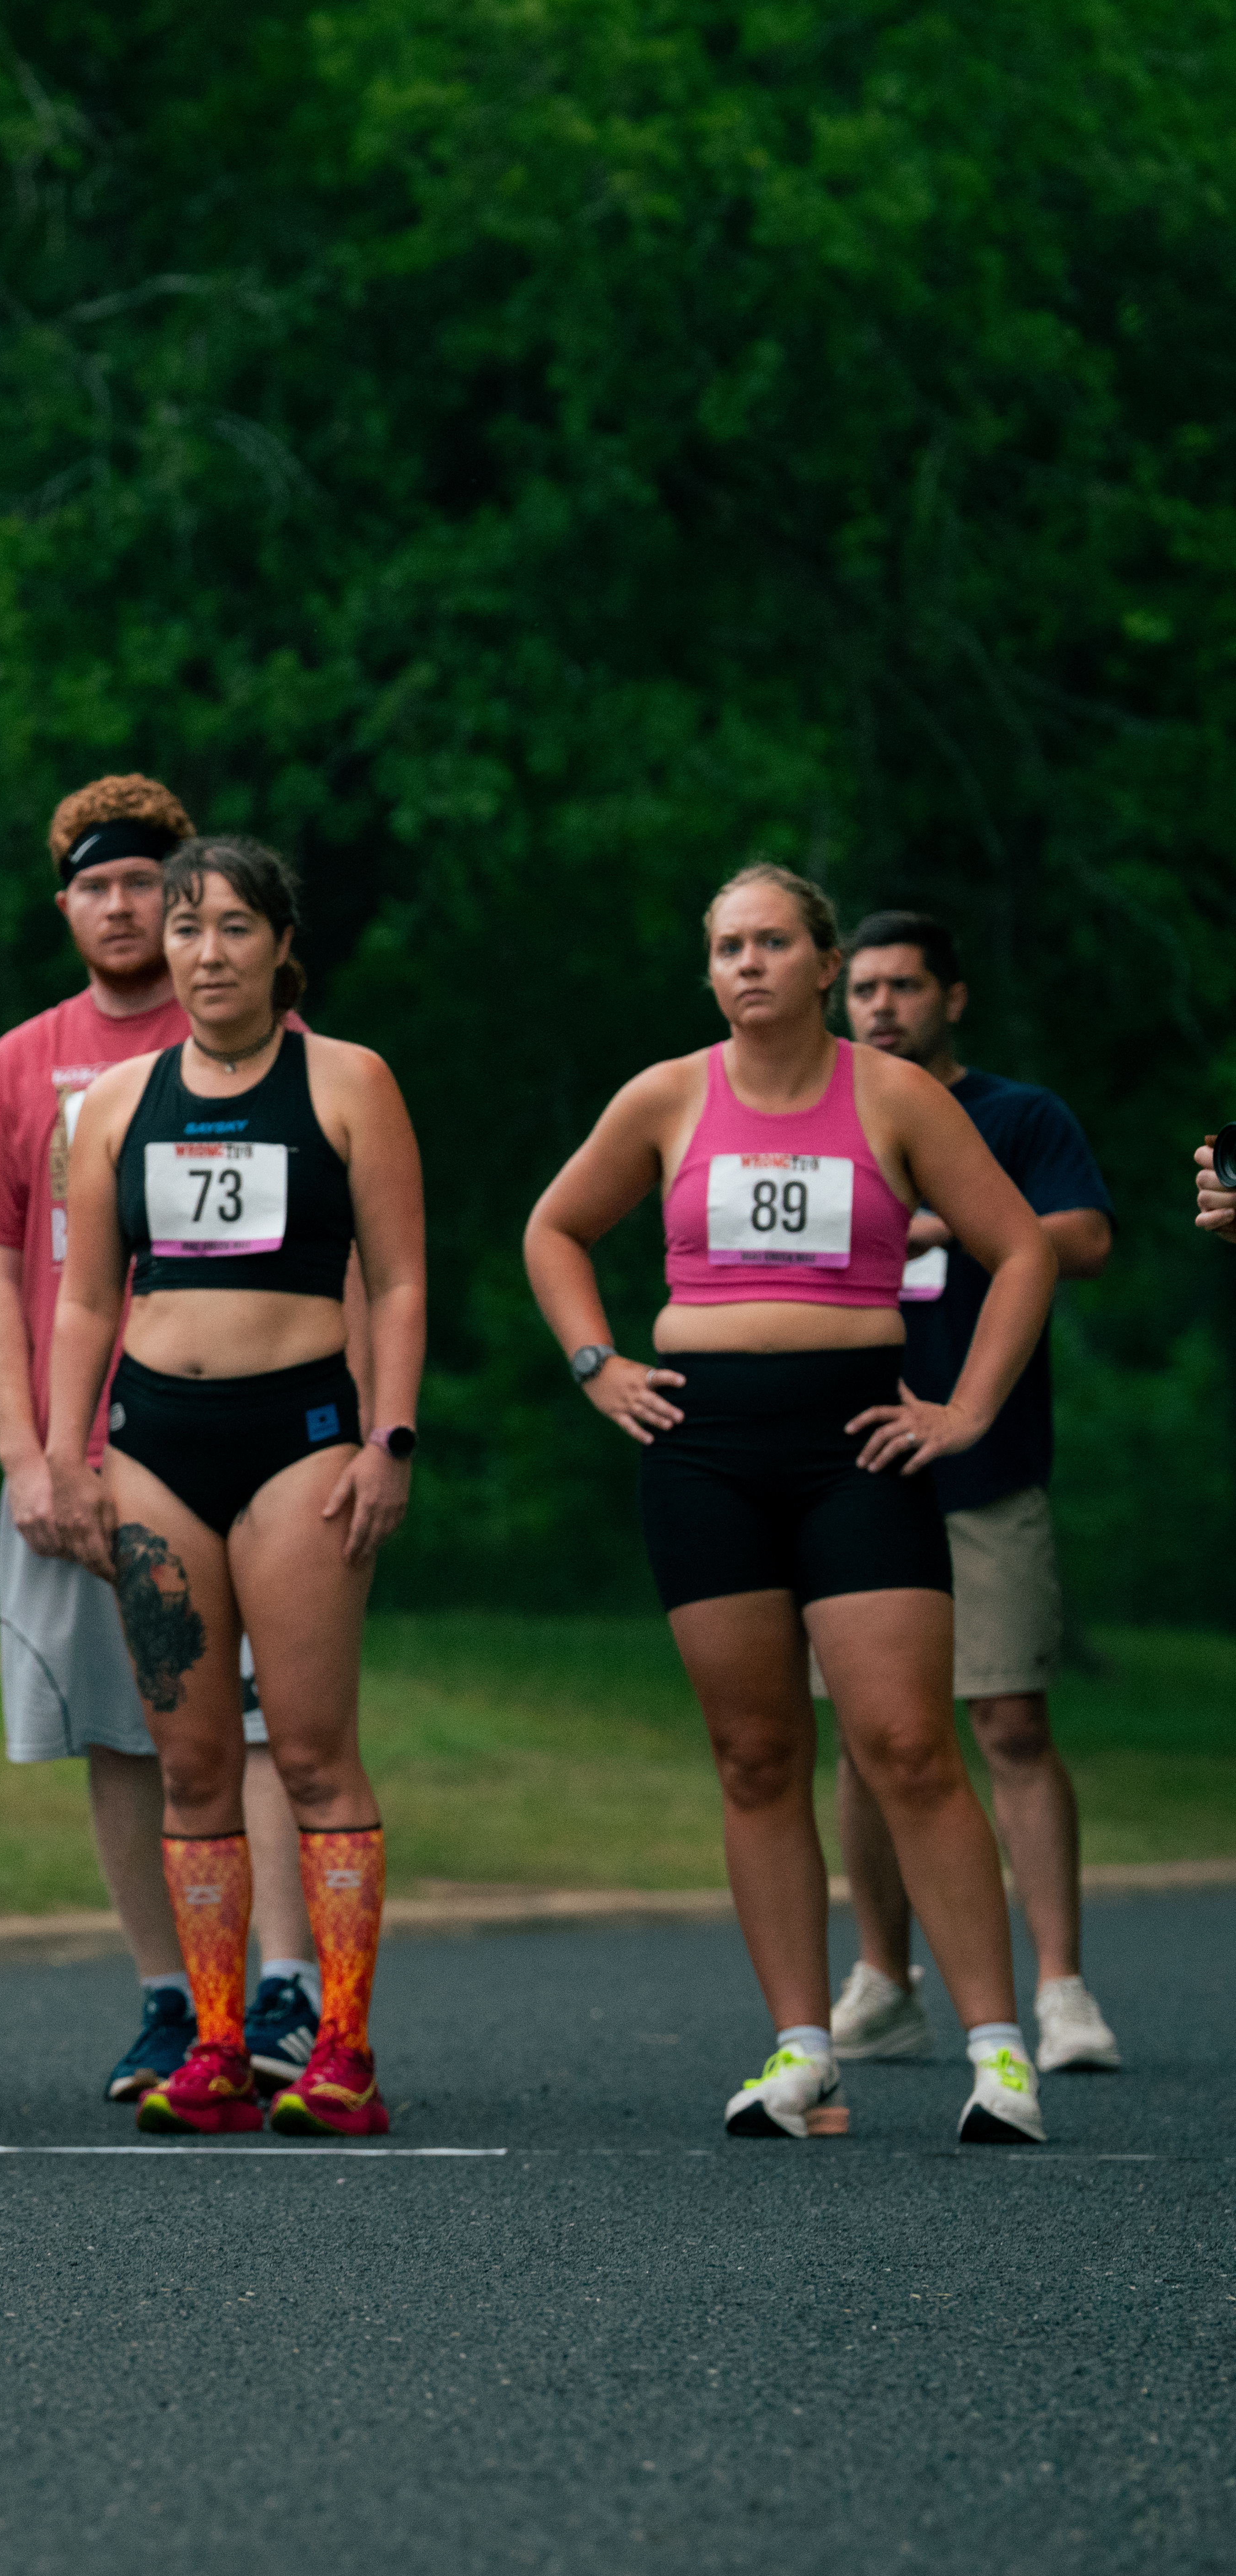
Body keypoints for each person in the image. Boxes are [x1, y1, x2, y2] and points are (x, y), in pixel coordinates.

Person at [523, 865, 1059, 2143]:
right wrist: (597, 1364)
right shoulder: (665, 1096)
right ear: (708, 970)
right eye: (726, 947)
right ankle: (804, 2052)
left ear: (826, 964)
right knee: (756, 1754)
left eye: (773, 943)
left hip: (855, 1442)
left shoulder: (896, 1094)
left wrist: (968, 1409)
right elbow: (554, 1229)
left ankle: (1000, 2052)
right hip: (702, 1442)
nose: (748, 965)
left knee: (908, 1745)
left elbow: (1025, 1248)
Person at [37, 840, 426, 2138]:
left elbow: (405, 1276)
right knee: (193, 1763)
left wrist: (391, 1437)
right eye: (188, 927)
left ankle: (343, 2049)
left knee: (312, 1754)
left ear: (279, 947)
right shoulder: (117, 1103)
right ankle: (213, 2049)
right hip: (157, 1442)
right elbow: (88, 1295)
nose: (205, 952)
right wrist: (65, 1455)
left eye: (234, 928)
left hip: (305, 1435)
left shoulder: (352, 1081)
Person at [0, 774, 320, 2105]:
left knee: (262, 1723)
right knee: (120, 1728)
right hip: (72, 1447)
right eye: (97, 885)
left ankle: (283, 1986)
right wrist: (30, 1456)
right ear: (66, 907)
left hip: (244, 1433)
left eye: (149, 886)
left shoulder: (260, 1043)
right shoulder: (21, 1064)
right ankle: (172, 1996)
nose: (124, 907)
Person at [827, 913, 1121, 2074]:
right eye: (863, 988)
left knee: (1008, 1720)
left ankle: (1062, 1991)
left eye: (904, 986)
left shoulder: (1016, 1118)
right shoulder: (823, 1113)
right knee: (866, 1737)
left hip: (985, 1466)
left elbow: (1086, 1239)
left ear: (955, 997)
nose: (882, 1007)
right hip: (846, 1462)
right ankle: (884, 1979)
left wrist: (952, 1214)